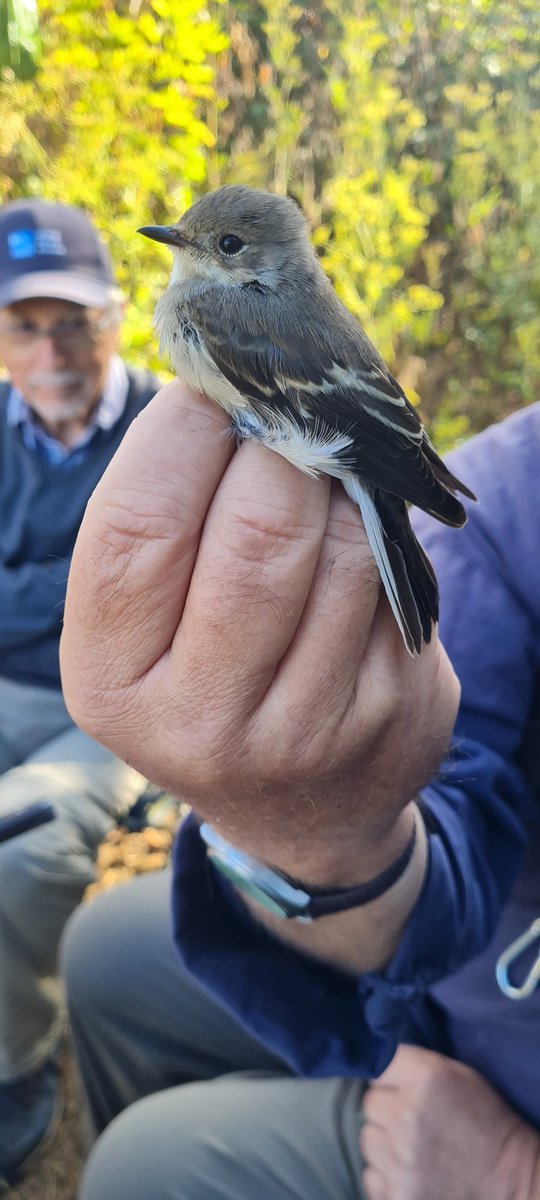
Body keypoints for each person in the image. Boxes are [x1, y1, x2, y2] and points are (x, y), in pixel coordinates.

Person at [60, 380, 540, 1199]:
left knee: (148, 1170)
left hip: (509, 1097)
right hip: (466, 971)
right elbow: (453, 803)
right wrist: (318, 832)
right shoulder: (516, 489)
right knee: (107, 952)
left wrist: (513, 1175)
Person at [0, 199, 160, 1190]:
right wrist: (73, 583)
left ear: (114, 316)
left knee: (16, 848)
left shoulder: (174, 426)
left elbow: (163, 605)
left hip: (108, 706)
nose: (51, 348)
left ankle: (18, 1063)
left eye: (73, 321)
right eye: (25, 324)